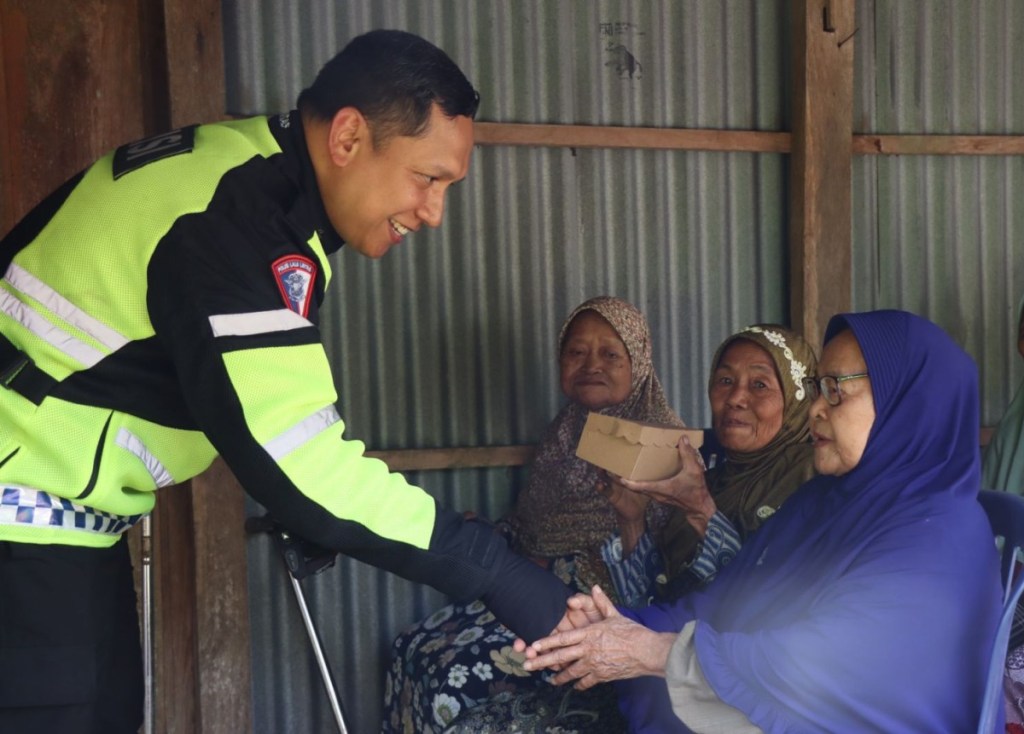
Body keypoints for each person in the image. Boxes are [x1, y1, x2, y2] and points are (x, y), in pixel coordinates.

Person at [0, 30, 572, 734]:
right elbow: (301, 463)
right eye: (428, 179)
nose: (434, 213)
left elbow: (238, 405)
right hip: (21, 524)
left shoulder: (246, 177)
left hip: (55, 522)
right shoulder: (235, 224)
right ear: (349, 137)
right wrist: (503, 575)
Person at [522, 310, 1003, 733]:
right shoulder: (826, 501)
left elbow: (831, 662)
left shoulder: (939, 536)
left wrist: (653, 650)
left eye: (836, 390)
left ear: (909, 404)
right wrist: (619, 625)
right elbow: (733, 598)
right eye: (817, 388)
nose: (817, 407)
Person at [444, 324, 817, 732]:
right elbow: (649, 598)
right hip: (647, 675)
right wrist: (632, 519)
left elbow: (762, 606)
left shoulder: (811, 484)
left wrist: (701, 511)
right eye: (725, 380)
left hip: (728, 697)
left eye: (760, 385)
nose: (736, 398)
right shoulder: (706, 469)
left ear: (797, 397)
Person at [382, 296, 683, 733]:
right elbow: (536, 525)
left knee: (454, 676)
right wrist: (496, 534)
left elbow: (664, 574)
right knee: (413, 648)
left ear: (638, 362)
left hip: (595, 608)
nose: (591, 365)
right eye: (576, 352)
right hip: (530, 586)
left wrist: (629, 521)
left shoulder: (662, 444)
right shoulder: (566, 430)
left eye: (610, 355)